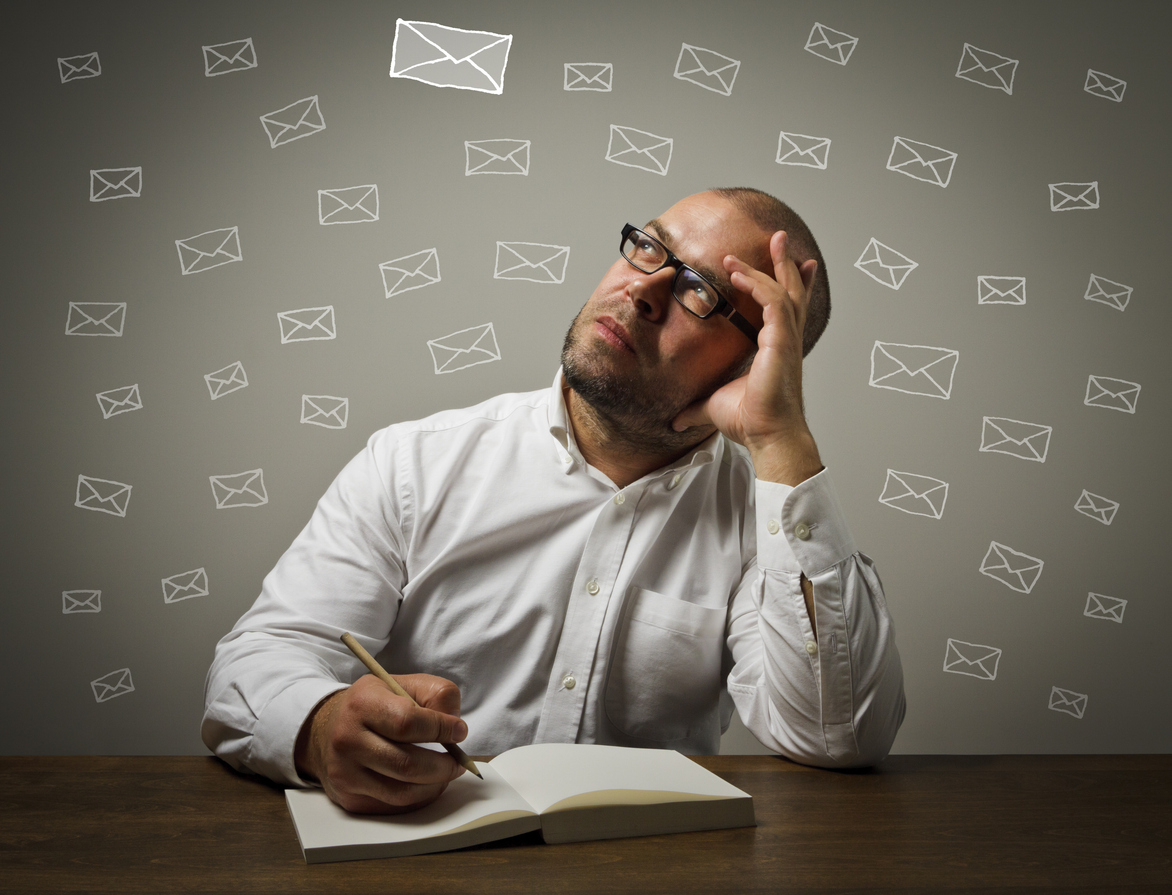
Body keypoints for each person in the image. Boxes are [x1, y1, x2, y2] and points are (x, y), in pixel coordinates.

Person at [202, 187, 906, 815]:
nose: (643, 289)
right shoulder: (415, 461)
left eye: (697, 290)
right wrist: (321, 725)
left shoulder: (767, 527)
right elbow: (258, 658)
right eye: (649, 247)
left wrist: (781, 439)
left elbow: (837, 733)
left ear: (754, 362)